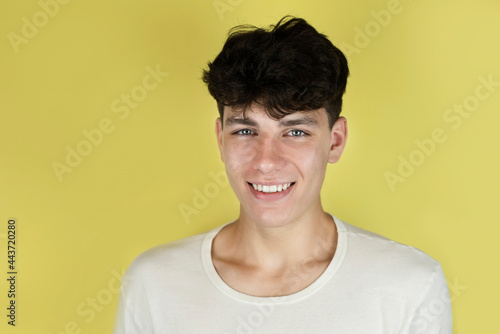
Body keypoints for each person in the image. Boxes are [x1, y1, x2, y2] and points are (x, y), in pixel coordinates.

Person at [112, 16, 452, 333]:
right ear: (220, 139)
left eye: (295, 132)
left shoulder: (410, 286)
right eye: (245, 131)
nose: (266, 161)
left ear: (335, 142)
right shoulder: (154, 283)